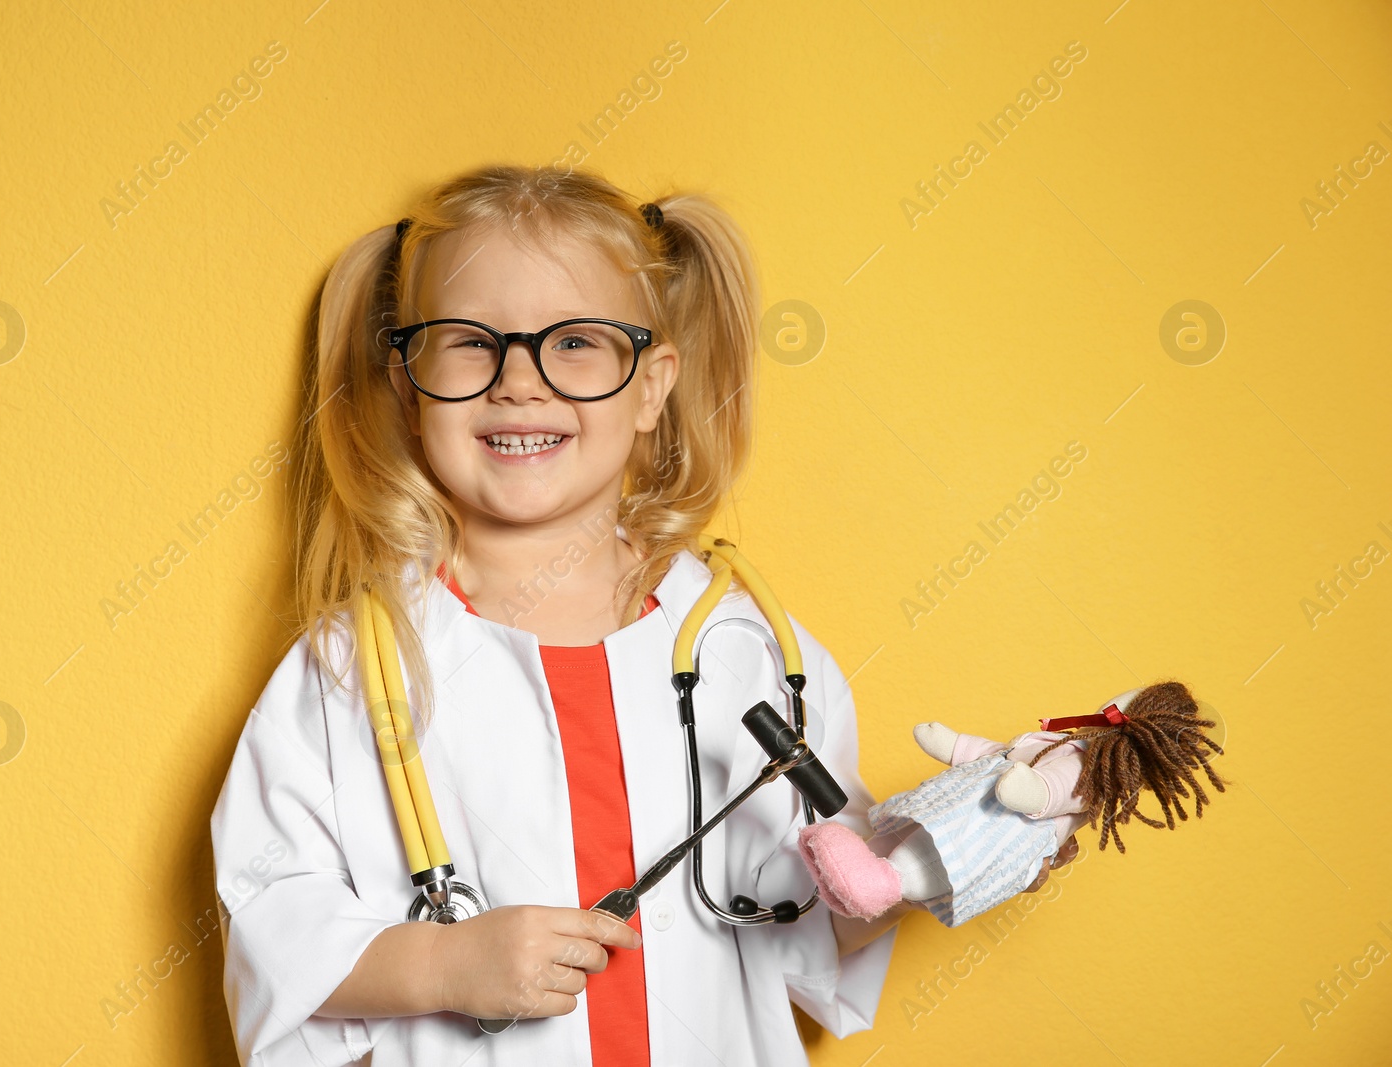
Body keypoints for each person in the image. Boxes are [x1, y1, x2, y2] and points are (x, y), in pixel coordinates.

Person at [209, 164, 1073, 1066]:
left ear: (653, 385)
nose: (519, 382)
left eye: (575, 341)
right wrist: (440, 961)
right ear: (405, 379)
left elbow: (822, 918)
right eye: (470, 341)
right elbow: (269, 915)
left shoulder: (747, 646)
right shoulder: (356, 664)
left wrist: (962, 841)